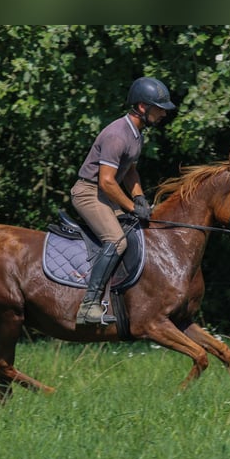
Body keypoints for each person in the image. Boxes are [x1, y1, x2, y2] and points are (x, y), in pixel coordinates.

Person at [71, 76, 176, 325]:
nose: (163, 114)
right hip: (88, 193)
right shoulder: (118, 135)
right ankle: (89, 306)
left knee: (138, 230)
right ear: (142, 107)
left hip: (105, 193)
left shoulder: (135, 133)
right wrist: (130, 207)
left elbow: (129, 170)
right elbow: (106, 181)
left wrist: (139, 198)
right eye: (159, 108)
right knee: (116, 240)